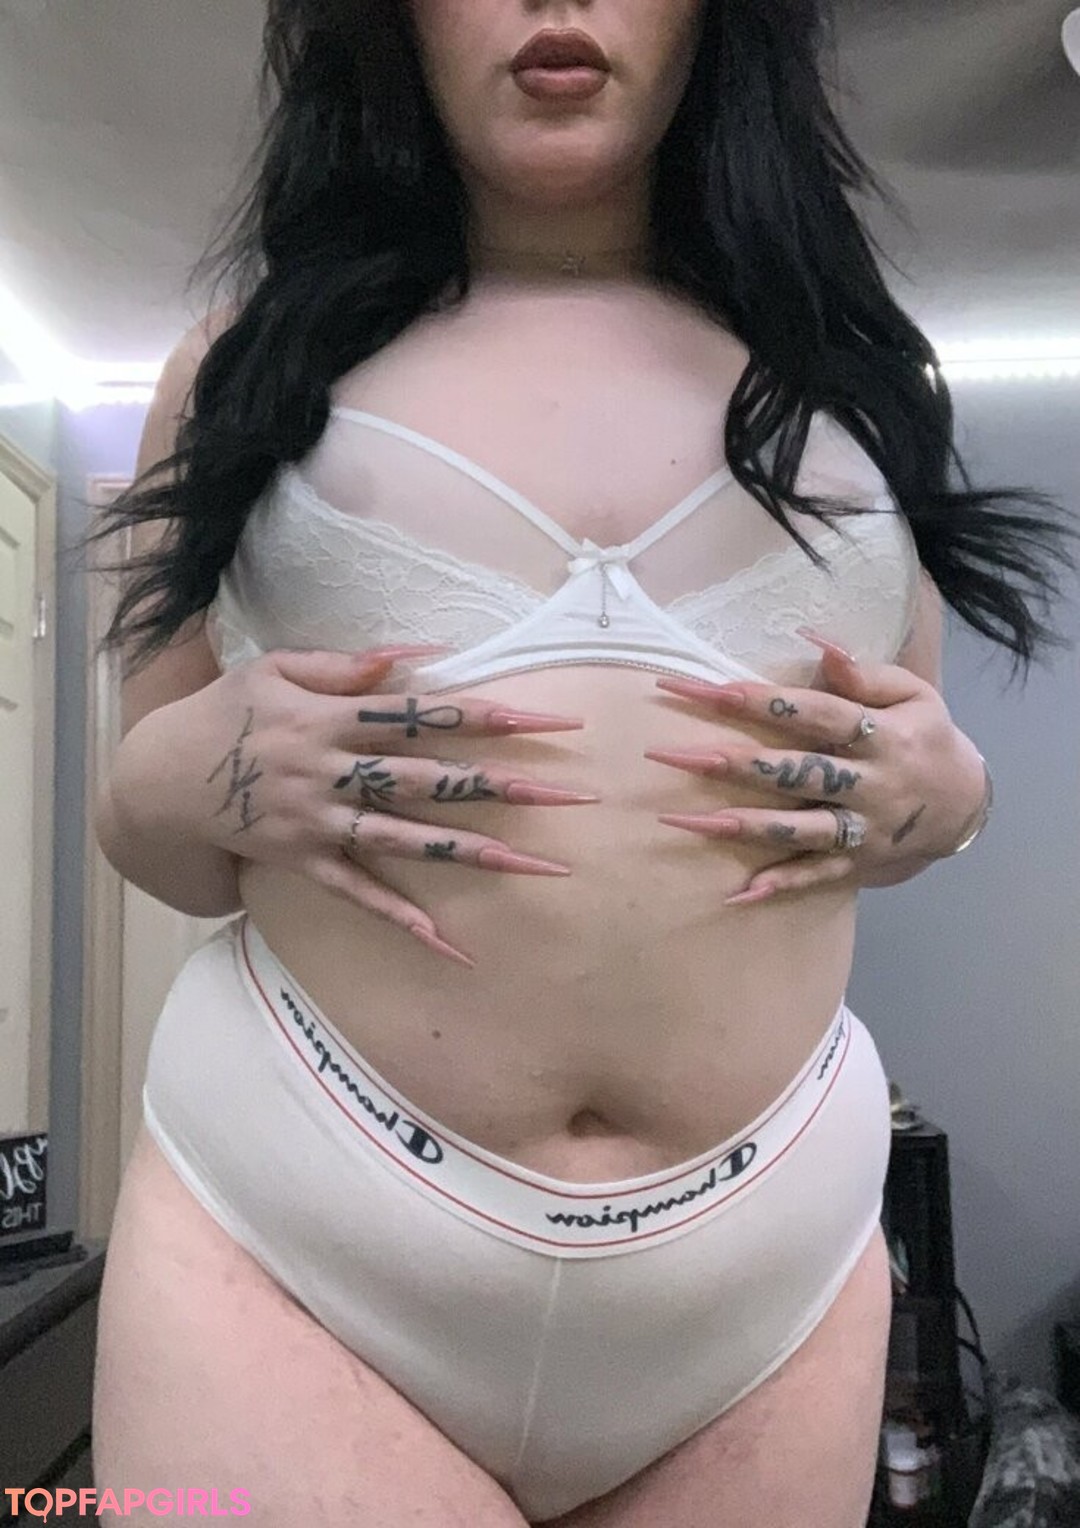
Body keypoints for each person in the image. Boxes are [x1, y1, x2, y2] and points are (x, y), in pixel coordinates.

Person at [87, 2, 1072, 1524]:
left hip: (761, 1271)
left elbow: (907, 778)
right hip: (300, 1240)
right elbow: (143, 828)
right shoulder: (243, 370)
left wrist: (956, 798)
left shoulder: (856, 383)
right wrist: (209, 764)